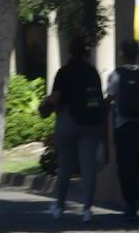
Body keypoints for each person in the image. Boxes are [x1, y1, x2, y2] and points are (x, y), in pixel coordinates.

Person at [41, 37, 105, 222]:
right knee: (88, 168)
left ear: (70, 51)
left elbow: (55, 99)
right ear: (86, 52)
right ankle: (87, 209)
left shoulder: (64, 72)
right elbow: (97, 99)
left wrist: (46, 105)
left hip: (68, 120)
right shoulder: (92, 72)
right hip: (90, 124)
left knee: (65, 166)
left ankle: (59, 206)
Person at [105, 40, 139, 217]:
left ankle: (129, 203)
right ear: (137, 54)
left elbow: (110, 99)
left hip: (123, 125)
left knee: (124, 165)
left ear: (122, 54)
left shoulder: (116, 75)